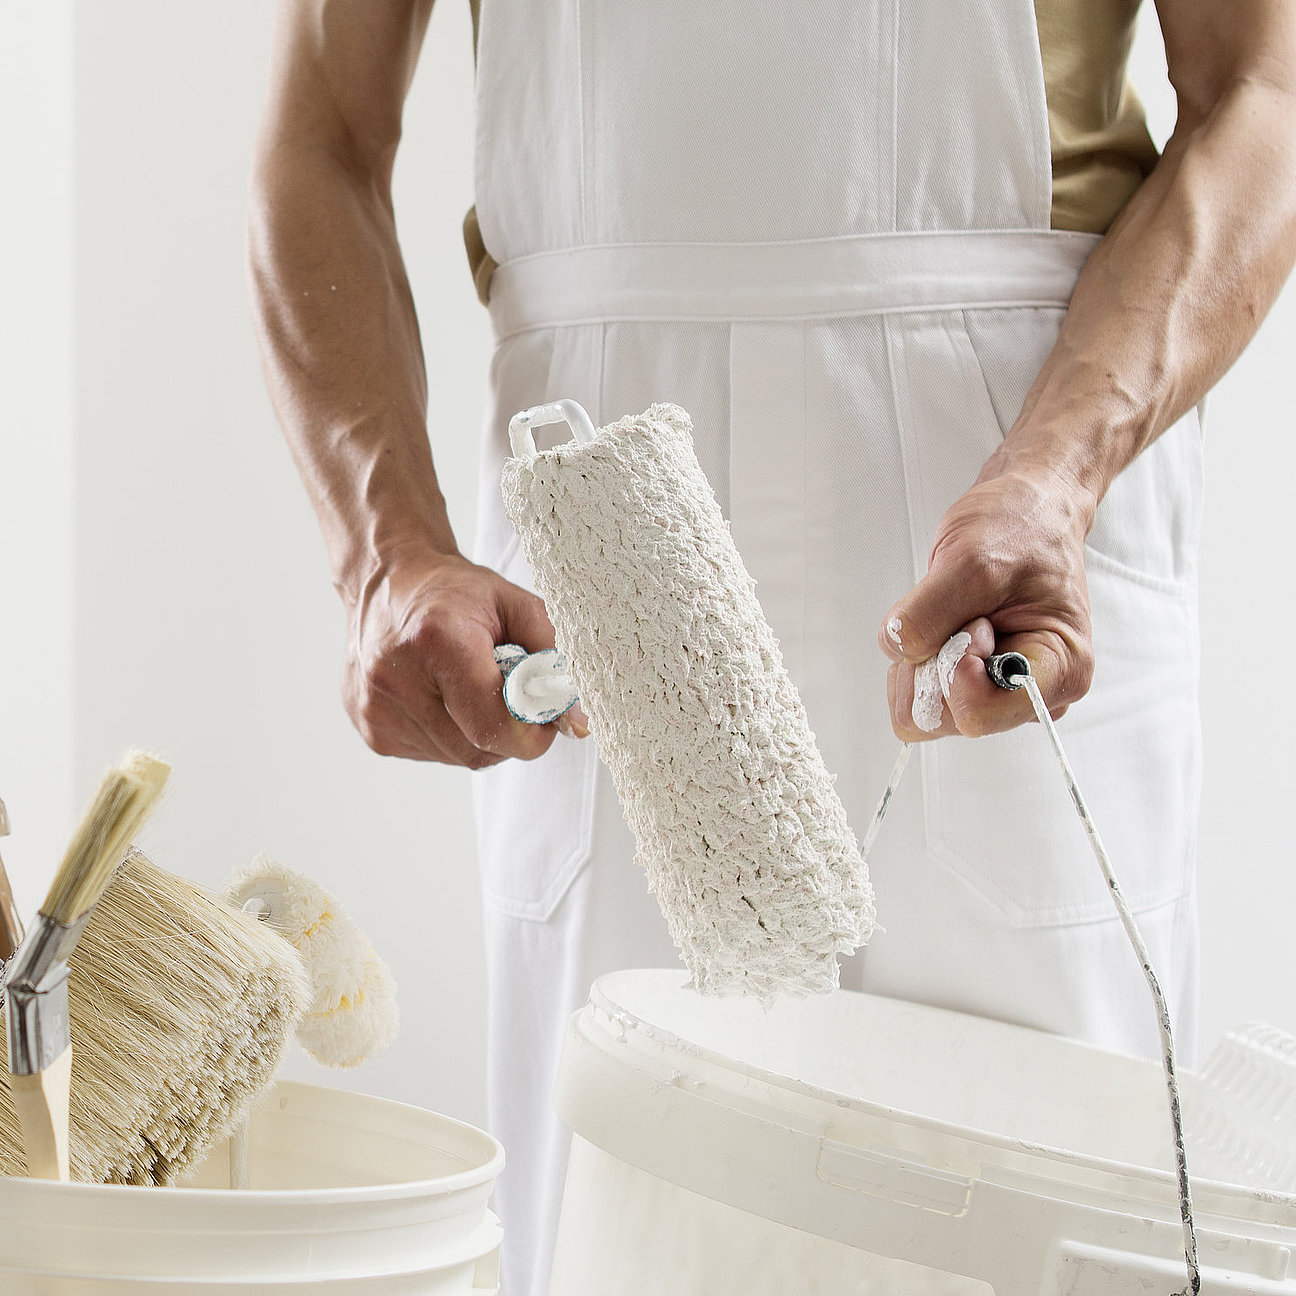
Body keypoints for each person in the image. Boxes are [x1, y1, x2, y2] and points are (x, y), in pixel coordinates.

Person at [248, 3, 1296, 1293]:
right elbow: (321, 132)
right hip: (603, 509)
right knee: (622, 1207)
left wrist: (1062, 473)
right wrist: (385, 557)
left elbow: (1262, 89)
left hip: (1010, 467)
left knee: (1049, 1209)